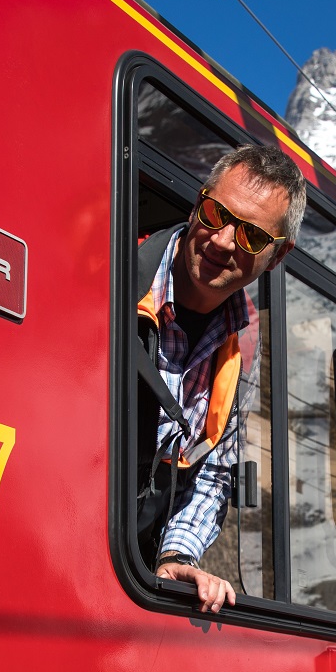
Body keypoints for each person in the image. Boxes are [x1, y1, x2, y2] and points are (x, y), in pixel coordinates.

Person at [135, 145, 305, 614]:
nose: (223, 241)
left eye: (251, 235)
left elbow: (212, 470)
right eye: (216, 214)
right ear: (198, 203)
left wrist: (175, 556)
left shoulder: (243, 349)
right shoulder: (113, 276)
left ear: (278, 255)